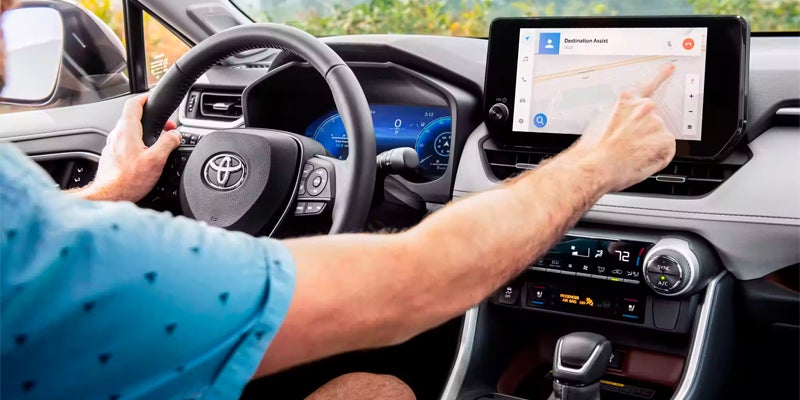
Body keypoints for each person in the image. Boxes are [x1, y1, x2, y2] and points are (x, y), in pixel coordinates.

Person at [0, 1, 677, 399]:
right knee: (378, 392)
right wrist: (594, 161)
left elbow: (50, 241)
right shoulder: (40, 257)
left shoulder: (37, 241)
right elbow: (416, 285)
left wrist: (113, 192)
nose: (11, 28)